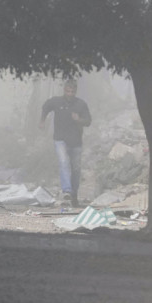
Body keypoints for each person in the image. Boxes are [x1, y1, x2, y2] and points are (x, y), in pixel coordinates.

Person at [39, 79, 92, 207]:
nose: (70, 94)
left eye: (72, 91)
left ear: (75, 91)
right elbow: (45, 107)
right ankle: (67, 191)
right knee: (63, 162)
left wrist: (78, 119)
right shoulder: (56, 101)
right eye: (68, 91)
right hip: (60, 138)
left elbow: (88, 121)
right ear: (64, 90)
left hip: (76, 141)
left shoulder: (81, 104)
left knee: (76, 168)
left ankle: (74, 194)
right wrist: (42, 121)